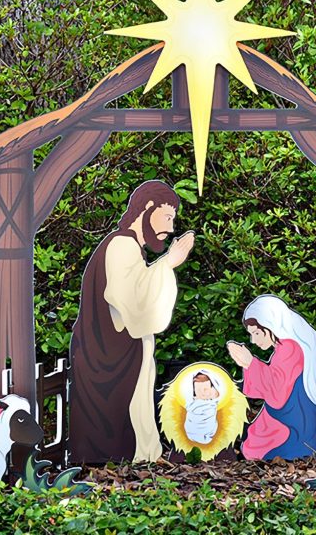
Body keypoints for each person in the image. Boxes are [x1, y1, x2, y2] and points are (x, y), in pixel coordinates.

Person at [69, 180, 194, 463]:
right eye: (167, 217)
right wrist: (168, 262)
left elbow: (137, 291)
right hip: (109, 356)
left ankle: (141, 454)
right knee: (122, 419)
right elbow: (131, 303)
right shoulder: (122, 245)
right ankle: (126, 456)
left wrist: (165, 264)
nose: (170, 228)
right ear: (148, 207)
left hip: (122, 351)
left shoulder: (129, 246)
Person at [227, 294, 316, 460]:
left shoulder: (290, 349)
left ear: (270, 326)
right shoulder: (286, 347)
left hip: (295, 421)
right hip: (293, 414)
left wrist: (250, 363)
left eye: (257, 333)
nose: (253, 340)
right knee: (254, 438)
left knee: (257, 445)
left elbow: (277, 393)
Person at [184, 372, 220, 444]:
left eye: (205, 388)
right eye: (198, 389)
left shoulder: (212, 401)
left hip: (208, 427)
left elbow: (217, 395)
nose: (203, 392)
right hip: (192, 429)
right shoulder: (191, 402)